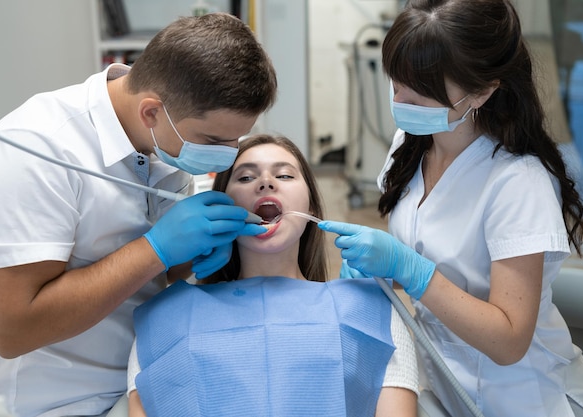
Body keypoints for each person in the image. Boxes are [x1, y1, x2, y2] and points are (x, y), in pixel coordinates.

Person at [0, 13, 276, 417]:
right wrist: (156, 249)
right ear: (152, 112)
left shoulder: (163, 134)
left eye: (235, 139)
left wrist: (185, 258)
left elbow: (139, 269)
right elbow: (13, 330)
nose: (229, 154)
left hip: (137, 371)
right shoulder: (35, 152)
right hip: (51, 398)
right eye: (214, 141)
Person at [319, 1, 583, 416]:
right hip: (448, 386)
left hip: (527, 399)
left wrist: (410, 270)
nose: (401, 102)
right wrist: (380, 272)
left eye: (421, 93)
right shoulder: (410, 144)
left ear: (481, 91)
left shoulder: (517, 182)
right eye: (397, 85)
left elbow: (509, 341)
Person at [126, 134, 419, 417]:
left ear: (311, 206)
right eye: (245, 177)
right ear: (221, 208)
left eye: (285, 176)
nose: (266, 182)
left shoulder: (370, 313)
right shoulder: (166, 317)